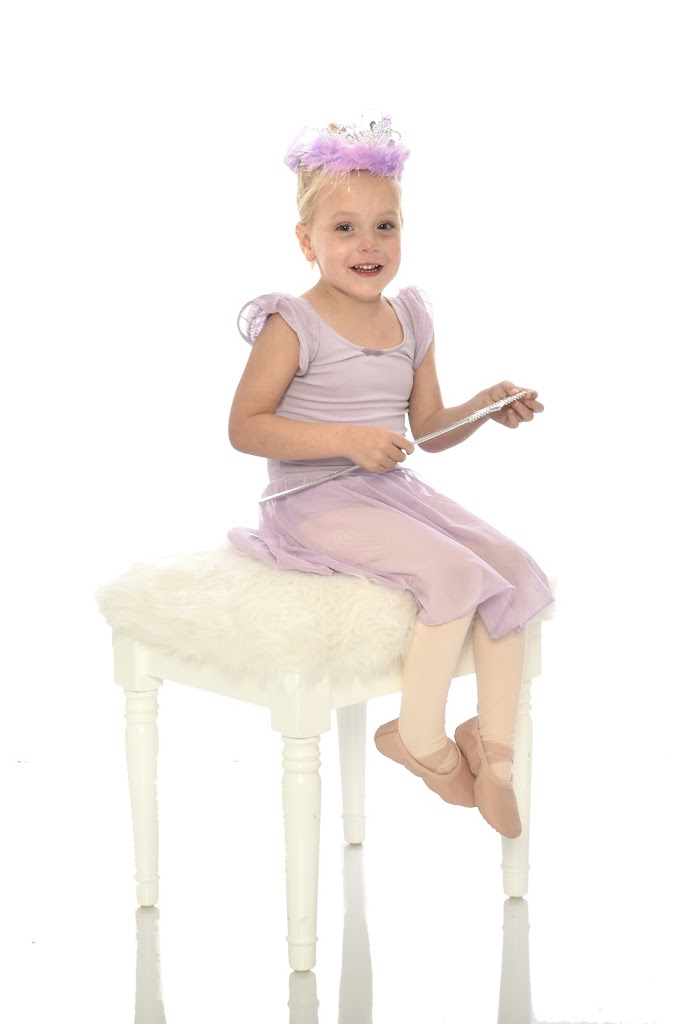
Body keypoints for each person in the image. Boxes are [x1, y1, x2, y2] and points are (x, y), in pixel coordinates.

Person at [228, 115, 554, 839]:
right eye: (343, 229)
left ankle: (494, 753)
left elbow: (428, 430)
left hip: (389, 494)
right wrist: (345, 439)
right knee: (455, 574)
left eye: (385, 226)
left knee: (512, 570)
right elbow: (245, 427)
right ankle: (421, 740)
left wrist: (482, 407)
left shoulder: (410, 319)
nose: (367, 244)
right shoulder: (293, 324)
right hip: (312, 502)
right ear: (306, 241)